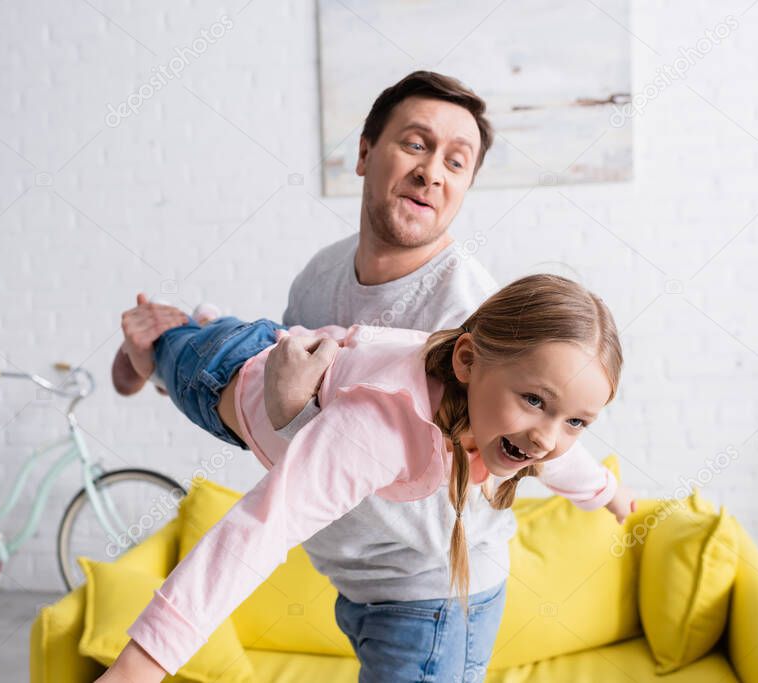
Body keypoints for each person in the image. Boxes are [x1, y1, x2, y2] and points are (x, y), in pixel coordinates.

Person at [107, 70, 636, 682]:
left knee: (202, 352)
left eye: (457, 163)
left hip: (424, 595)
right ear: (364, 152)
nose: (433, 171)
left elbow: (505, 474)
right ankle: (159, 348)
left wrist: (607, 493)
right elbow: (275, 399)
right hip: (250, 405)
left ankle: (163, 346)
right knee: (205, 355)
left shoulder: (479, 328)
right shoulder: (324, 275)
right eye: (416, 144)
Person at [97, 273, 637, 682]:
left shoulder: (512, 423)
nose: (547, 435)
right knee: (172, 347)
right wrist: (140, 665)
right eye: (535, 400)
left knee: (213, 331)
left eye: (575, 421)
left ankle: (194, 326)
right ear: (468, 361)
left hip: (285, 347)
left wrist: (609, 495)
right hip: (220, 377)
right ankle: (155, 346)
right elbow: (260, 531)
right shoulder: (378, 427)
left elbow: (559, 458)